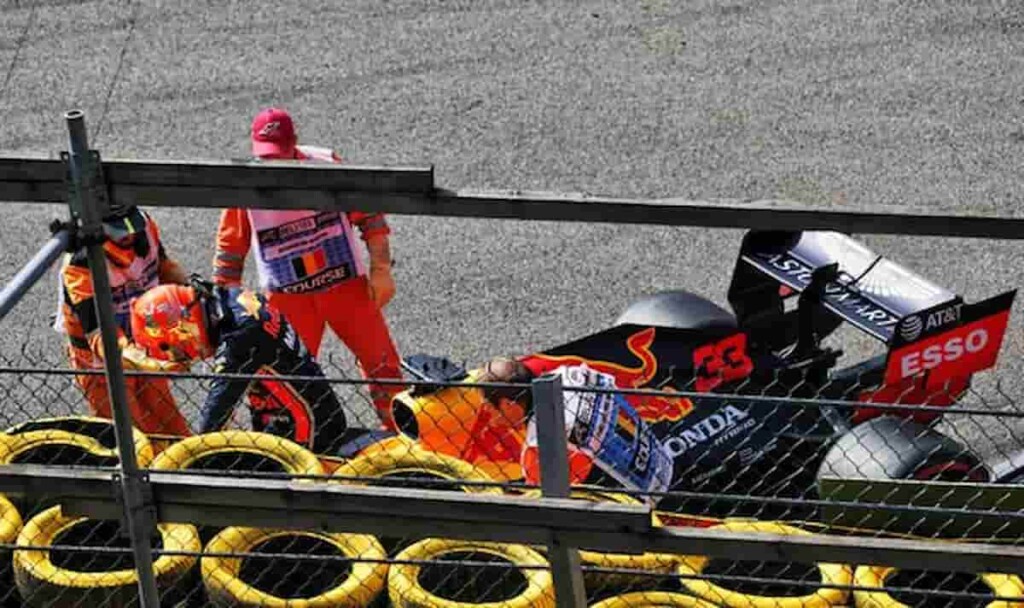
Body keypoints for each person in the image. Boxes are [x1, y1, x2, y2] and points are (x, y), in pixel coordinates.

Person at [211, 107, 403, 430]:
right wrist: (226, 308)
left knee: (383, 365)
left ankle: (403, 435)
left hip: (344, 287)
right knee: (279, 378)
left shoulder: (326, 166)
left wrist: (381, 269)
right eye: (266, 156)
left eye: (280, 155)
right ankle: (280, 443)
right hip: (288, 300)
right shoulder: (245, 183)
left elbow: (371, 216)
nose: (273, 164)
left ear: (295, 143)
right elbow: (230, 252)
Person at [129, 279, 350, 455]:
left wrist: (192, 456)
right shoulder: (227, 298)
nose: (182, 358)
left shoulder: (239, 337)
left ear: (183, 328)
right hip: (287, 415)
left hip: (309, 430)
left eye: (174, 350)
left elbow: (216, 413)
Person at [54, 204, 193, 436]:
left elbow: (164, 267)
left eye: (132, 228)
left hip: (143, 345)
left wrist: (192, 294)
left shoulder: (145, 226)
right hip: (102, 366)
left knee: (174, 429)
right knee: (134, 438)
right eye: (120, 231)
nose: (129, 234)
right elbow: (98, 335)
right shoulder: (80, 264)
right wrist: (145, 361)